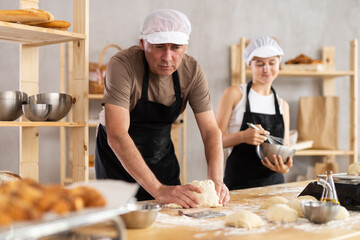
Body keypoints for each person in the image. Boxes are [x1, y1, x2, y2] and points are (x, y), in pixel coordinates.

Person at [95, 9, 229, 208]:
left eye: (175, 47)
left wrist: (216, 180)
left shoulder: (192, 71)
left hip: (161, 156)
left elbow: (210, 131)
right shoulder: (122, 65)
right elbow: (117, 135)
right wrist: (158, 190)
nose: (167, 57)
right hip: (117, 162)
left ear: (185, 47)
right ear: (142, 44)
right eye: (159, 47)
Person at [216, 36, 293, 190]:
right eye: (260, 64)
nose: (266, 69)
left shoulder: (282, 105)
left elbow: (284, 147)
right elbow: (214, 140)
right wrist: (243, 136)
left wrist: (284, 167)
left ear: (279, 64)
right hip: (239, 182)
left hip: (274, 184)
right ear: (249, 65)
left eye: (272, 63)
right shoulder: (235, 94)